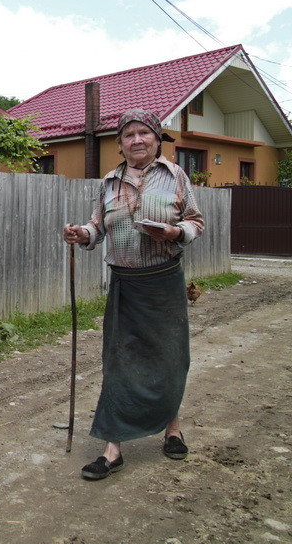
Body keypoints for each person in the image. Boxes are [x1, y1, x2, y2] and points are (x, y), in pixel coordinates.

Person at [62, 109, 204, 480]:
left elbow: (195, 221)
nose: (137, 140)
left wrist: (176, 234)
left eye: (144, 133)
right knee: (119, 361)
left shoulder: (176, 177)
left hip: (164, 281)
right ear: (120, 144)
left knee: (169, 357)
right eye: (129, 135)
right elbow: (98, 226)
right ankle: (113, 449)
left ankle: (172, 428)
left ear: (157, 139)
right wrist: (82, 235)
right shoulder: (109, 183)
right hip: (124, 283)